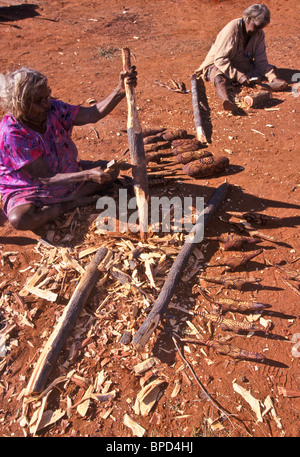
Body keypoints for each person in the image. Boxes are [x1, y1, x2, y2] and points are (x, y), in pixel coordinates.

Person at [0, 65, 137, 232]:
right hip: (29, 186)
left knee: (110, 173)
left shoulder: (54, 109)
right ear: (21, 104)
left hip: (66, 171)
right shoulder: (13, 133)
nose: (45, 104)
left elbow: (91, 114)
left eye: (47, 96)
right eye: (38, 101)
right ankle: (67, 204)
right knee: (20, 219)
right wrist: (86, 175)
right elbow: (45, 178)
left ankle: (59, 203)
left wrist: (119, 91)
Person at [195, 3, 287, 111]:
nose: (258, 30)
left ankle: (264, 86)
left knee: (272, 70)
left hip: (242, 65)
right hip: (219, 64)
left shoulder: (259, 34)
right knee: (219, 78)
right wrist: (239, 76)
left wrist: (273, 78)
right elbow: (220, 59)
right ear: (248, 19)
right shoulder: (232, 29)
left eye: (260, 27)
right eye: (256, 26)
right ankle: (227, 101)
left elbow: (261, 61)